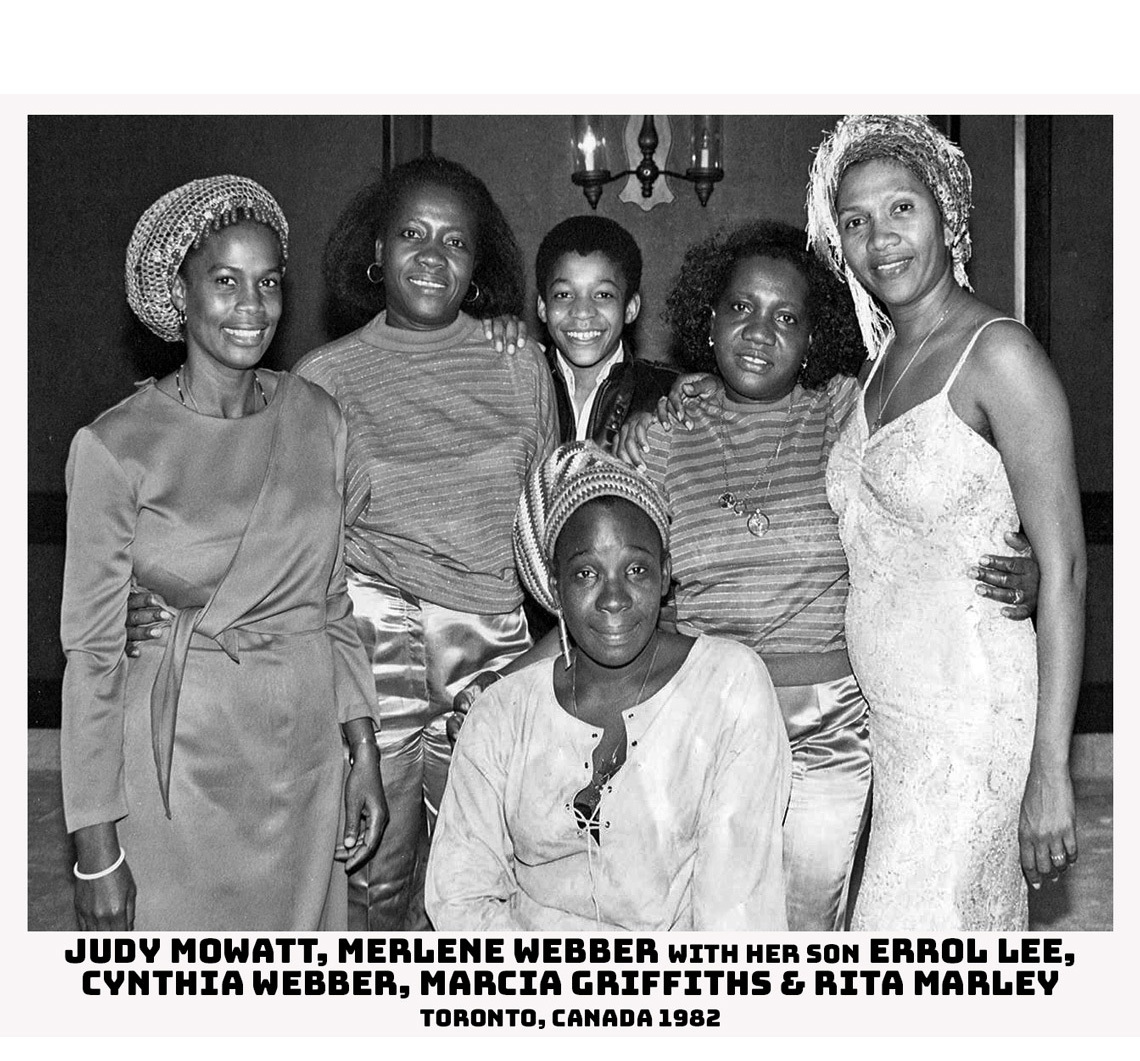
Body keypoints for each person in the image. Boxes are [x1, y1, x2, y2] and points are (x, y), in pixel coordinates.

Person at [615, 219, 1041, 931]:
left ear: (813, 338)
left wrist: (1019, 553)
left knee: (808, 923)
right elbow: (621, 580)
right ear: (708, 320)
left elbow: (943, 481)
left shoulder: (849, 409)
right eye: (740, 308)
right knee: (710, 921)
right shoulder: (660, 437)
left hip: (828, 723)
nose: (759, 331)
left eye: (787, 317)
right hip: (706, 713)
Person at [60, 175, 386, 930]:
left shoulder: (318, 417)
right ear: (180, 293)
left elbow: (331, 602)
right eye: (226, 281)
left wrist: (362, 750)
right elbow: (93, 658)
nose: (252, 305)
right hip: (181, 767)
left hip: (305, 758)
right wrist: (95, 850)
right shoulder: (113, 446)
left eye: (268, 282)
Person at [807, 114, 1085, 929]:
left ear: (947, 216)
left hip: (973, 717)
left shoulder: (1000, 355)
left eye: (902, 208)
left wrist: (1052, 771)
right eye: (856, 221)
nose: (880, 237)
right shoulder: (874, 367)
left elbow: (1066, 569)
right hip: (892, 727)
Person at [292, 156, 558, 930]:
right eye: (412, 234)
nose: (433, 256)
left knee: (481, 872)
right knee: (374, 872)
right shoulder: (325, 377)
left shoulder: (519, 364)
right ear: (378, 250)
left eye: (455, 241)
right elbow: (290, 538)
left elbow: (544, 517)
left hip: (495, 638)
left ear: (477, 267)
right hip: (378, 634)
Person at [426, 443, 790, 930]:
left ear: (665, 574)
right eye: (586, 574)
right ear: (555, 587)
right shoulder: (503, 714)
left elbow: (735, 915)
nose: (614, 598)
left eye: (636, 569)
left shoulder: (729, 688)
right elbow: (461, 898)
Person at [535, 216, 675, 452]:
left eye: (603, 295)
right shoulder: (520, 384)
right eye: (564, 294)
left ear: (630, 308)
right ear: (542, 307)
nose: (582, 312)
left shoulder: (666, 393)